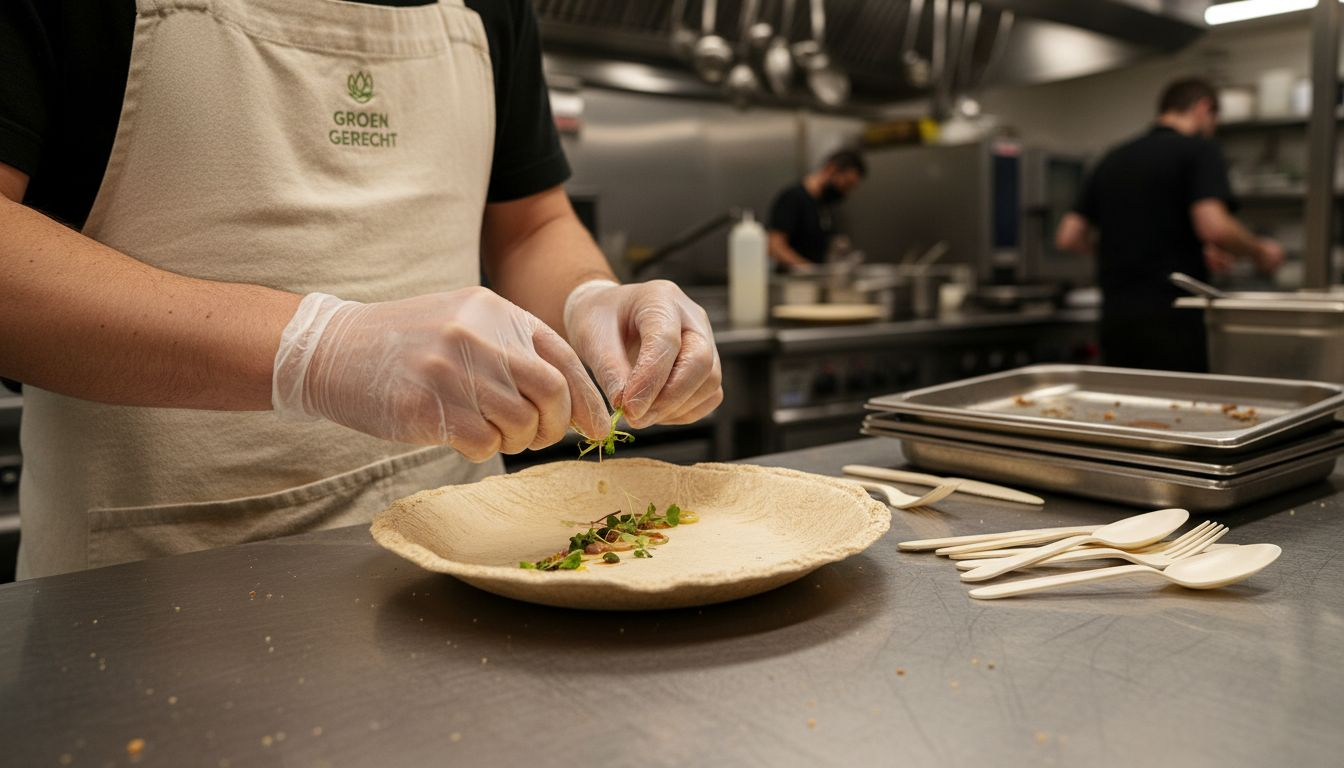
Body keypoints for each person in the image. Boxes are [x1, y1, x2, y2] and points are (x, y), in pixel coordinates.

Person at [0, 0, 722, 579]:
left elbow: (531, 224)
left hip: (468, 558)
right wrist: (320, 348)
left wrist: (588, 298)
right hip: (161, 583)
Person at [1055, 77, 1284, 372]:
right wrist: (1260, 251)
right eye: (1214, 119)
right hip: (1175, 319)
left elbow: (1068, 237)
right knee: (1179, 412)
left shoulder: (1113, 157)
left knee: (1121, 408)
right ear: (1203, 108)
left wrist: (1127, 251)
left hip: (1116, 319)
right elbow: (1214, 226)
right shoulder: (1199, 150)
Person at [766, 149, 867, 269]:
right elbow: (775, 246)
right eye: (846, 184)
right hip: (793, 283)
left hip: (816, 282)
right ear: (831, 169)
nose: (845, 192)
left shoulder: (825, 204)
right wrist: (810, 271)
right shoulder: (793, 198)